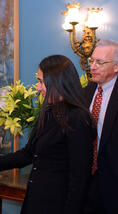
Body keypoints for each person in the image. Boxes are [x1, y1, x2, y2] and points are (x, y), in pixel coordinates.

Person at [0, 55, 97, 214]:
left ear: (57, 82)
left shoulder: (78, 118)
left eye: (41, 81)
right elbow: (28, 154)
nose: (37, 87)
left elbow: (79, 179)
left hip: (58, 205)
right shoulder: (50, 112)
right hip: (36, 200)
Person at [84, 39, 118, 214]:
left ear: (116, 67)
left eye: (100, 62)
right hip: (86, 182)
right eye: (92, 61)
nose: (93, 67)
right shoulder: (88, 90)